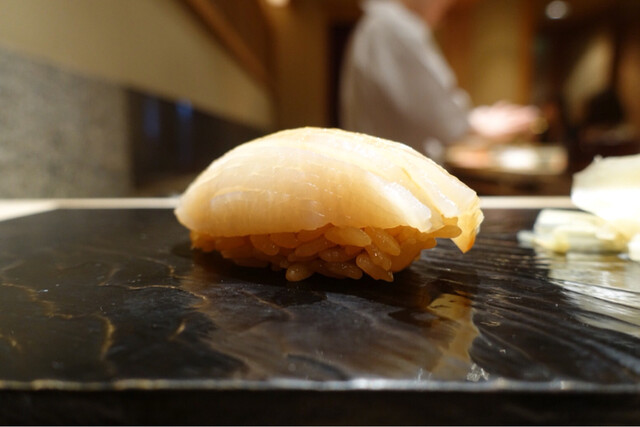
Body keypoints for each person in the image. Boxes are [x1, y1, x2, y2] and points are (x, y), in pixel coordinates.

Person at [340, 0, 538, 157]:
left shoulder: (382, 26)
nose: (444, 6)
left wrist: (472, 120)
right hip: (396, 174)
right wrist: (478, 124)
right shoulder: (394, 29)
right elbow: (442, 120)